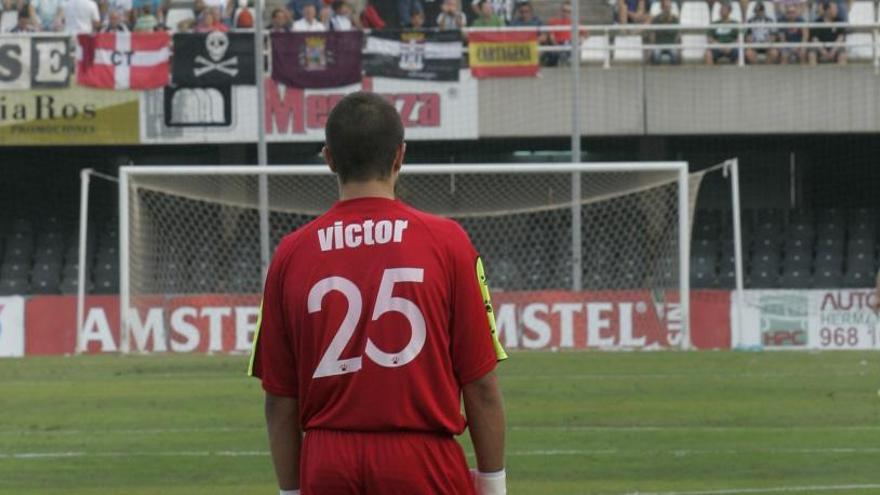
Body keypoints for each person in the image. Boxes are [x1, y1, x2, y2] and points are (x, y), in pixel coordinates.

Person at [249, 91, 508, 495]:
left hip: (327, 461)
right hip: (422, 458)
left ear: (329, 158)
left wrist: (291, 491)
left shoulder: (290, 253)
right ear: (399, 156)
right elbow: (481, 386)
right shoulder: (448, 243)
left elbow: (279, 399)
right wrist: (493, 487)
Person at [809, 1, 847, 65]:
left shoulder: (840, 21)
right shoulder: (817, 23)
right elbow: (815, 39)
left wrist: (833, 51)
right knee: (812, 54)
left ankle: (841, 74)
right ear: (827, 10)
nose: (837, 10)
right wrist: (824, 52)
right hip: (821, 48)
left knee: (842, 54)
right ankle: (812, 74)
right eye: (834, 8)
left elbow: (840, 38)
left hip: (835, 48)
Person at [650, 0, 679, 64]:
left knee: (675, 55)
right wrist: (654, 45)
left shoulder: (675, 20)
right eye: (666, 7)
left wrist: (674, 44)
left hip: (671, 44)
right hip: (659, 44)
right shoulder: (656, 19)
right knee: (656, 56)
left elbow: (678, 36)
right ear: (662, 8)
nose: (667, 9)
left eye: (669, 7)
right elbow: (652, 36)